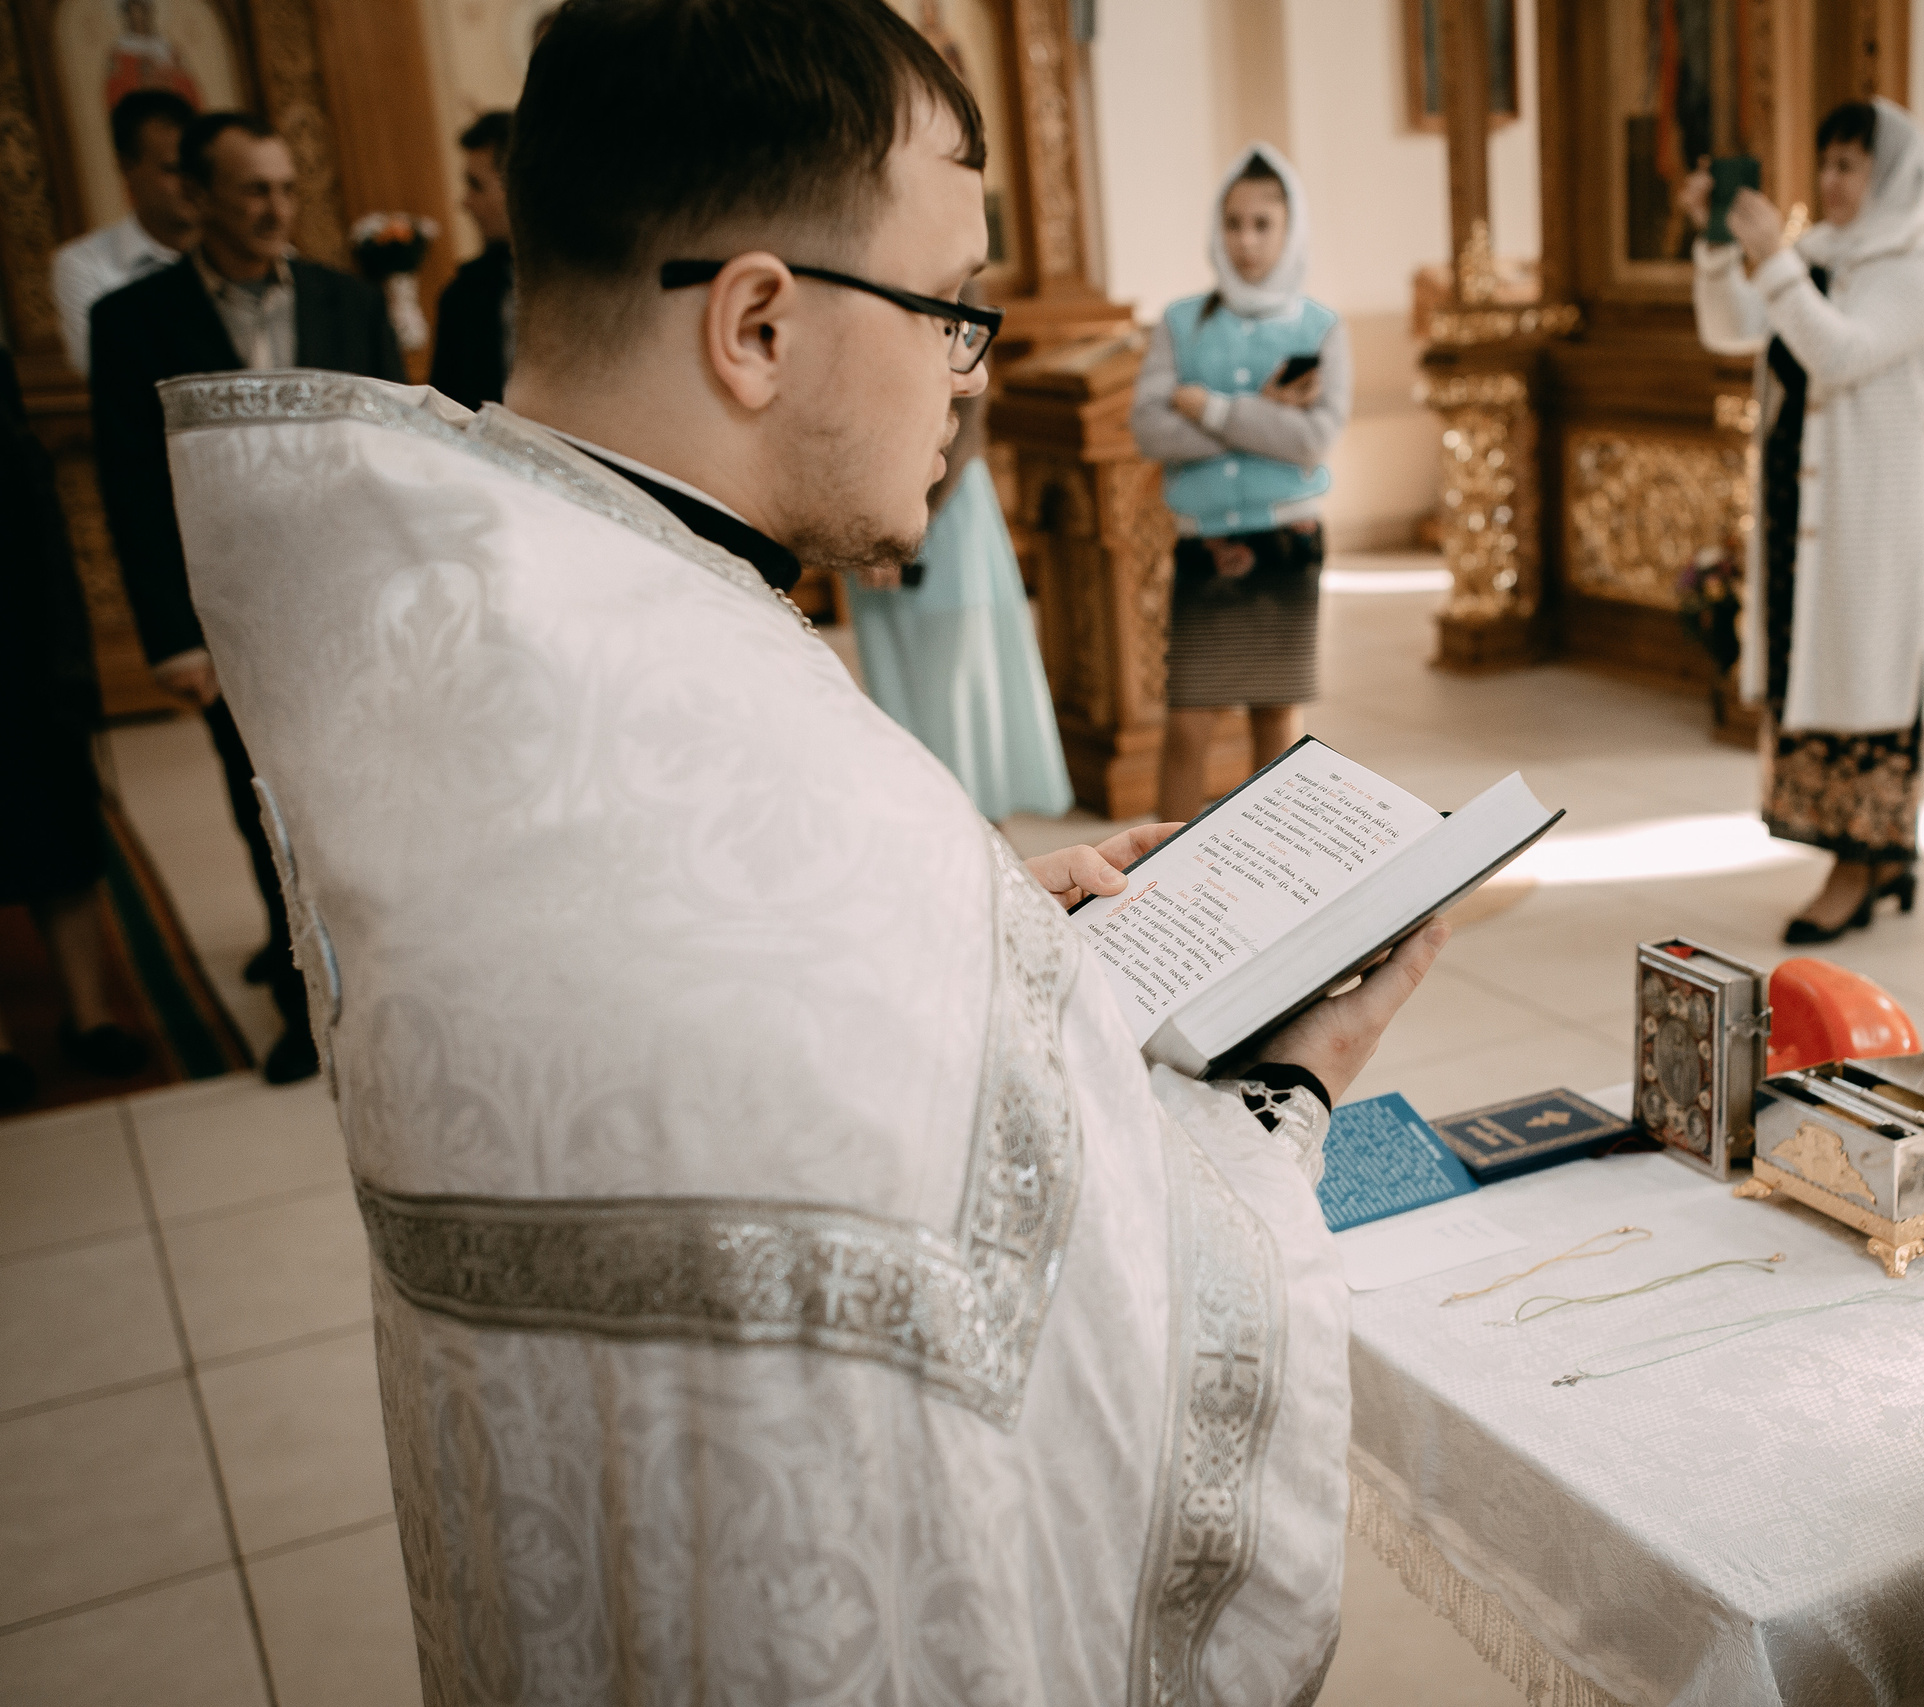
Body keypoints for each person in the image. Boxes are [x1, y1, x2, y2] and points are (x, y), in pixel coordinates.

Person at [157, 2, 1443, 1698]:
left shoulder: (486, 629)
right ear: (757, 322)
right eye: (955, 308)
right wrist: (1282, 1097)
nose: (968, 372)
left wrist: (977, 912)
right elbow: (1118, 1371)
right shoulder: (803, 805)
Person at [88, 111, 405, 1085]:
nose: (277, 210)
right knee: (258, 794)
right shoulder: (133, 322)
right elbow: (132, 490)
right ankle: (302, 995)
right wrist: (171, 637)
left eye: (285, 189)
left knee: (366, 789)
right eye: (253, 190)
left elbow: (398, 454)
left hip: (349, 597)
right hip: (232, 614)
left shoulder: (347, 303)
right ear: (197, 197)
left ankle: (385, 972)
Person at [1684, 98, 1924, 944]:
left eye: (1851, 165)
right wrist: (1719, 245)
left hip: (1873, 521)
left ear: (1892, 174)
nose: (1833, 181)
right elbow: (1734, 329)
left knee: (1867, 676)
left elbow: (1838, 354)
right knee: (1817, 670)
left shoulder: (1918, 267)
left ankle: (1863, 862)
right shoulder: (1817, 255)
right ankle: (1874, 857)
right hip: (1802, 508)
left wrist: (1773, 260)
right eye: (1827, 162)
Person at [1130, 144, 1351, 821]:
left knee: (1274, 727)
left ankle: (1272, 878)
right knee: (1188, 726)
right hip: (1205, 549)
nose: (1247, 240)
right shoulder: (1180, 321)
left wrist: (1212, 407)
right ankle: (1155, 879)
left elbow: (1312, 438)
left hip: (1287, 541)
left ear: (1290, 230)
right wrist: (1262, 414)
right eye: (1234, 223)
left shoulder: (1319, 328)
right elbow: (1149, 429)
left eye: (1263, 224)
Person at [1, 349, 151, 1110]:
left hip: (19, 646)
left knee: (59, 830)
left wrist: (70, 661)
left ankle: (88, 1016)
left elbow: (36, 520)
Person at [843, 385, 1077, 819]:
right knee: (893, 684)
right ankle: (923, 825)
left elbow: (966, 414)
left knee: (963, 686)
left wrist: (906, 522)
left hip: (942, 503)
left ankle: (983, 833)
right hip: (862, 495)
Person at [51, 88, 195, 377]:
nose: (189, 182)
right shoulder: (84, 263)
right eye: (172, 169)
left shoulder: (245, 251)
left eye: (196, 168)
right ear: (127, 167)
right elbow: (107, 373)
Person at [427, 109, 514, 411]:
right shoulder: (461, 298)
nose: (464, 202)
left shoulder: (582, 282)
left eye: (476, 185)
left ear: (516, 188)